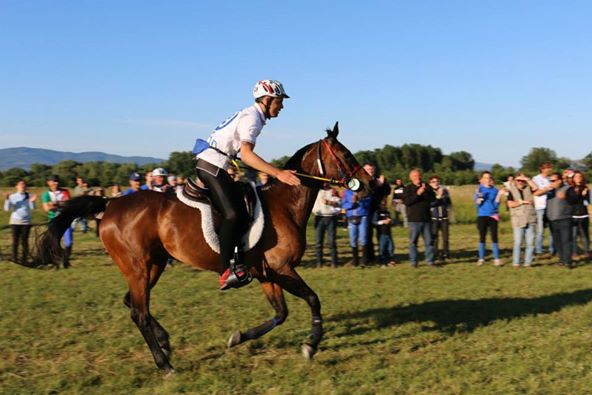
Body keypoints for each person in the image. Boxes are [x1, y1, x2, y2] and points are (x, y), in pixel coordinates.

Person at [194, 79, 300, 290]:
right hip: (212, 165)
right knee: (234, 215)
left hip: (214, 163)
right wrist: (278, 173)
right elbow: (247, 155)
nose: (282, 106)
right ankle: (226, 271)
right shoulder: (252, 118)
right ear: (268, 100)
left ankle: (239, 258)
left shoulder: (252, 115)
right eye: (279, 101)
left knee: (243, 208)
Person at [502, 174, 540, 268]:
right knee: (518, 242)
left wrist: (527, 178)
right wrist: (521, 202)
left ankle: (528, 263)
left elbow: (536, 187)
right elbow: (510, 204)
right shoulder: (511, 190)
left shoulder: (529, 188)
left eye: (522, 180)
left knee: (530, 242)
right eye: (518, 180)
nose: (520, 182)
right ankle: (516, 263)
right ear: (515, 181)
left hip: (530, 218)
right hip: (518, 219)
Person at [403, 168, 436, 268]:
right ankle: (414, 261)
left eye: (419, 175)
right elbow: (407, 202)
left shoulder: (427, 187)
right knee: (413, 242)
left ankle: (430, 261)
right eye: (415, 176)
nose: (418, 178)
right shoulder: (408, 188)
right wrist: (418, 193)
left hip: (426, 219)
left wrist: (426, 192)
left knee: (429, 242)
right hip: (414, 220)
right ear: (411, 178)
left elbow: (433, 199)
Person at [545, 172, 578, 267]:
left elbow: (575, 199)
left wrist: (566, 196)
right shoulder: (550, 191)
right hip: (552, 219)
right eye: (550, 180)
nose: (551, 182)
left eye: (553, 180)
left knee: (566, 240)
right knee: (557, 241)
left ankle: (568, 261)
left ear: (560, 180)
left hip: (564, 218)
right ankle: (562, 260)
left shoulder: (568, 189)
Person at [41, 175, 73, 268]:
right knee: (55, 242)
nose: (56, 183)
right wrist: (60, 204)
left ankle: (66, 259)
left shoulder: (65, 191)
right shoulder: (46, 194)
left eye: (57, 181)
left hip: (65, 220)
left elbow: (69, 205)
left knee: (69, 242)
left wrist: (55, 204)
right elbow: (47, 209)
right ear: (48, 182)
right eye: (54, 181)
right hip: (53, 221)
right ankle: (56, 261)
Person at [475, 171, 504, 266]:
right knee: (482, 237)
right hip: (482, 215)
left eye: (489, 177)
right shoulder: (479, 190)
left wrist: (499, 195)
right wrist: (479, 199)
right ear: (482, 179)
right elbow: (477, 203)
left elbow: (496, 204)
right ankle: (481, 259)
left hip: (493, 215)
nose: (488, 179)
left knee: (494, 237)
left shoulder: (495, 190)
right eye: (486, 177)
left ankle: (496, 259)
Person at [3, 180, 36, 264]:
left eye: (24, 184)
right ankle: (14, 259)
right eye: (20, 184)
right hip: (15, 221)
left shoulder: (29, 195)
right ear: (16, 186)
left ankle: (24, 259)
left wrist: (32, 202)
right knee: (15, 241)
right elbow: (7, 209)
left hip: (26, 222)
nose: (22, 186)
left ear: (26, 187)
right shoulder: (12, 196)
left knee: (24, 241)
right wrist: (7, 200)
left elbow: (33, 208)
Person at [312, 183, 341, 268]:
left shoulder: (333, 191)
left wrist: (329, 202)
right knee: (318, 242)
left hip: (331, 218)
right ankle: (319, 262)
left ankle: (334, 262)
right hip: (319, 217)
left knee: (332, 242)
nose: (324, 183)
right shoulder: (316, 190)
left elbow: (339, 203)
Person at [342, 189, 372, 267]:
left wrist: (360, 200)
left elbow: (369, 203)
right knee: (353, 239)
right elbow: (343, 205)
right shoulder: (347, 192)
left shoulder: (365, 191)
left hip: (363, 216)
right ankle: (355, 260)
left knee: (363, 238)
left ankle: (364, 260)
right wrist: (352, 203)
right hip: (351, 217)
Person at [532, 162, 554, 256]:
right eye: (548, 168)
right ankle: (539, 249)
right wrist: (548, 188)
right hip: (540, 207)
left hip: (550, 206)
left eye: (550, 168)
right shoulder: (536, 179)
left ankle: (552, 249)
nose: (550, 169)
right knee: (540, 230)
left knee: (552, 229)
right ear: (542, 169)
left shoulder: (551, 179)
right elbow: (536, 192)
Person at [429, 175, 451, 262]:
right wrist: (438, 197)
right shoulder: (429, 192)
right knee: (435, 238)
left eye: (437, 181)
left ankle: (446, 254)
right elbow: (431, 204)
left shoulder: (444, 191)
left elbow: (448, 203)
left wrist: (443, 196)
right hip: (434, 218)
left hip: (444, 218)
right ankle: (435, 254)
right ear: (430, 183)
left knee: (445, 238)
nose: (436, 183)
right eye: (433, 182)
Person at [569, 171, 590, 260]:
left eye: (579, 176)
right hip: (573, 215)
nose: (578, 178)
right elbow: (571, 201)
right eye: (576, 176)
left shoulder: (585, 188)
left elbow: (588, 202)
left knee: (585, 235)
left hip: (584, 215)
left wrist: (585, 195)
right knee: (573, 235)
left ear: (582, 178)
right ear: (573, 178)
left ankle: (587, 252)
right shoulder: (570, 188)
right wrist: (578, 194)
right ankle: (574, 252)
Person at [372, 197, 396, 267]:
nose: (384, 204)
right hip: (381, 233)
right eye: (382, 203)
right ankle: (382, 261)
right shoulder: (377, 212)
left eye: (385, 203)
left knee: (391, 247)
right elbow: (374, 222)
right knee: (382, 248)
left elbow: (391, 220)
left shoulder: (387, 212)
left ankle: (390, 260)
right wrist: (382, 222)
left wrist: (390, 221)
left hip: (388, 232)